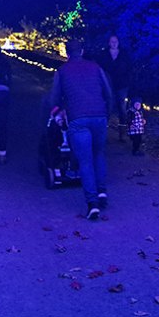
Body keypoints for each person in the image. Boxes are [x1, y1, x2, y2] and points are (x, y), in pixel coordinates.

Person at [49, 38, 113, 220]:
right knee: (99, 153)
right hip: (99, 116)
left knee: (85, 161)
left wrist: (57, 111)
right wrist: (106, 115)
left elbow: (54, 98)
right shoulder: (96, 67)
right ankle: (102, 192)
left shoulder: (62, 71)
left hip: (78, 118)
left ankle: (92, 204)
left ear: (66, 53)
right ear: (82, 51)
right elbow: (108, 93)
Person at [97, 34, 132, 141]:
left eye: (115, 41)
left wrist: (128, 81)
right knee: (108, 107)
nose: (114, 43)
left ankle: (122, 133)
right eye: (112, 41)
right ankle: (103, 134)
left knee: (122, 109)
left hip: (121, 85)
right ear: (109, 43)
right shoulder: (104, 54)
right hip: (108, 85)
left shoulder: (124, 54)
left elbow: (129, 68)